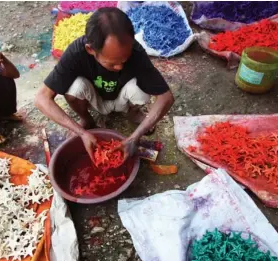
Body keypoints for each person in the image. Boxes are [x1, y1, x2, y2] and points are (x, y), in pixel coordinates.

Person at [35, 7, 174, 162]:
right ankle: (87, 120)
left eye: (125, 59)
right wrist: (81, 132)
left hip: (123, 99)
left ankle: (133, 113)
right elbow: (42, 98)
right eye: (112, 63)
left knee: (141, 90)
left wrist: (135, 137)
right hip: (95, 99)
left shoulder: (136, 52)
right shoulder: (76, 53)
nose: (120, 67)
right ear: (90, 49)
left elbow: (166, 97)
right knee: (74, 88)